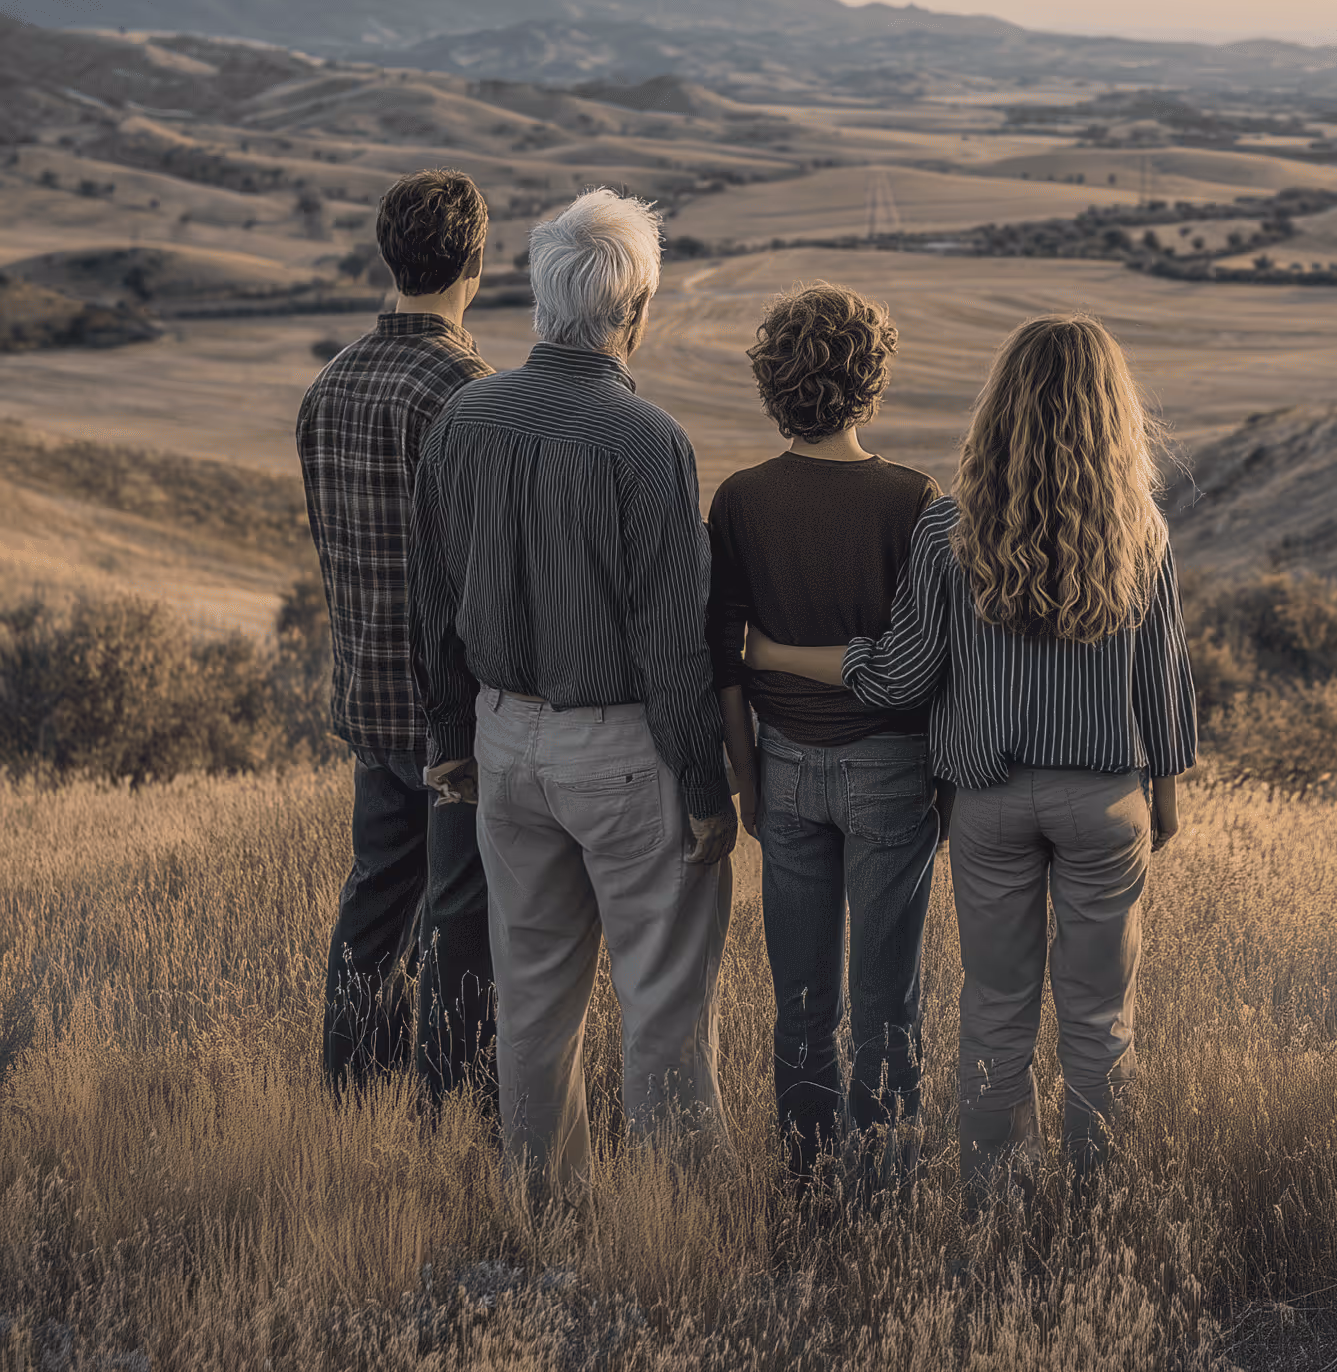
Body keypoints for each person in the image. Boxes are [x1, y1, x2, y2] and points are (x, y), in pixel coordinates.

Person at [747, 314, 1198, 1204]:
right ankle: (1096, 1208)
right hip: (1108, 798)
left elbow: (901, 673)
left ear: (999, 410)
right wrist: (1167, 789)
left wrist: (774, 656)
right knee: (1101, 1020)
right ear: (1116, 413)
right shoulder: (1142, 527)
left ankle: (997, 1205)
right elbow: (1164, 670)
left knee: (995, 1014)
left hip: (988, 803)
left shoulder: (951, 529)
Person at [409, 188, 737, 1197]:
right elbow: (671, 642)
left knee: (533, 999)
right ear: (632, 310)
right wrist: (705, 785)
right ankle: (675, 1218)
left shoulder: (462, 417)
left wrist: (449, 736)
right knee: (662, 1002)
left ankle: (539, 1209)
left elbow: (435, 599)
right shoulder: (646, 441)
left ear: (539, 300)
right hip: (625, 751)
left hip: (504, 741)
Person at [709, 283, 942, 1192]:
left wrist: (746, 780)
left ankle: (807, 1192)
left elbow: (723, 657)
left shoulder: (741, 500)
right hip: (892, 768)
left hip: (784, 768)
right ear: (872, 379)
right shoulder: (912, 500)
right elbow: (930, 663)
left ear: (773, 383)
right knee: (888, 1006)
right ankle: (884, 1197)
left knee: (802, 1003)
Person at [297, 166, 496, 1106]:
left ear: (391, 256)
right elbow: (484, 575)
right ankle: (447, 1104)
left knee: (375, 902)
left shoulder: (328, 386)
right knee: (461, 911)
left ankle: (351, 1095)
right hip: (453, 704)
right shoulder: (466, 390)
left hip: (367, 689)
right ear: (476, 265)